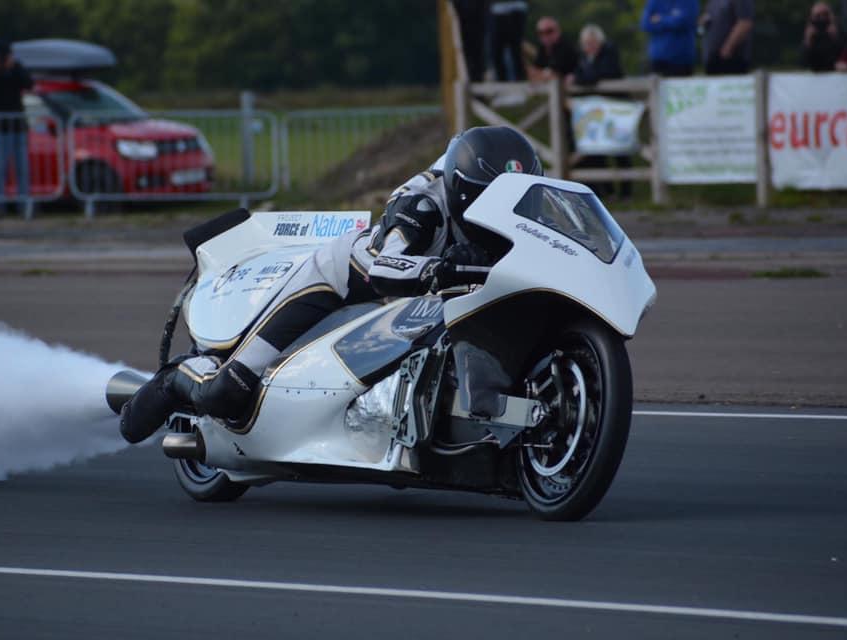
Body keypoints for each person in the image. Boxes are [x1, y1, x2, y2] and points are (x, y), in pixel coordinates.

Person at [118, 126, 544, 445]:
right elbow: (383, 268)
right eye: (490, 198)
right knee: (230, 393)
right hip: (340, 281)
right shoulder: (421, 206)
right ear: (464, 193)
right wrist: (437, 269)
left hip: (417, 309)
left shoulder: (519, 208)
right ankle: (174, 380)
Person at [569, 24, 632, 201]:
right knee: (597, 151)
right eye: (587, 43)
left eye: (593, 42)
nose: (590, 46)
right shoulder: (584, 57)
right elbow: (583, 75)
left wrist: (580, 79)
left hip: (616, 109)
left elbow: (599, 74)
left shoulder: (609, 52)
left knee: (621, 151)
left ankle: (626, 192)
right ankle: (607, 191)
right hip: (596, 111)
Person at [0, 40, 33, 215]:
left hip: (17, 127)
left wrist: (14, 69)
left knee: (22, 169)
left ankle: (24, 205)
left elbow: (29, 84)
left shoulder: (17, 68)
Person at [640, 0, 700, 77]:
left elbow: (684, 22)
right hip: (658, 59)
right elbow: (645, 24)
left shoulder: (689, 2)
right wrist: (671, 19)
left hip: (681, 60)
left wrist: (660, 19)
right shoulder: (654, 1)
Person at [700, 0, 754, 75]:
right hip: (713, 59)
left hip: (731, 58)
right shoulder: (712, 2)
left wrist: (728, 47)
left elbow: (745, 23)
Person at [527, 17, 579, 82]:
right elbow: (534, 71)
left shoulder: (566, 47)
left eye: (549, 31)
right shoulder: (542, 48)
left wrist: (541, 74)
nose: (545, 35)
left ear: (558, 31)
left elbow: (555, 74)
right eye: (540, 32)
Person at [489, 1, 528, 81]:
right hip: (497, 11)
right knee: (496, 53)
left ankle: (519, 83)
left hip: (516, 10)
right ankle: (501, 84)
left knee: (515, 51)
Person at [454, 0, 489, 83]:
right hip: (466, 25)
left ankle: (477, 80)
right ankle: (474, 78)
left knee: (476, 55)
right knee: (470, 55)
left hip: (476, 24)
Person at [803, 3, 844, 72]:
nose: (822, 18)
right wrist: (808, 40)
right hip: (814, 76)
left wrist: (835, 36)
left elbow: (844, 56)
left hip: (836, 74)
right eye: (817, 15)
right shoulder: (810, 33)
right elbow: (802, 62)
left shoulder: (840, 31)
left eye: (825, 14)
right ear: (812, 16)